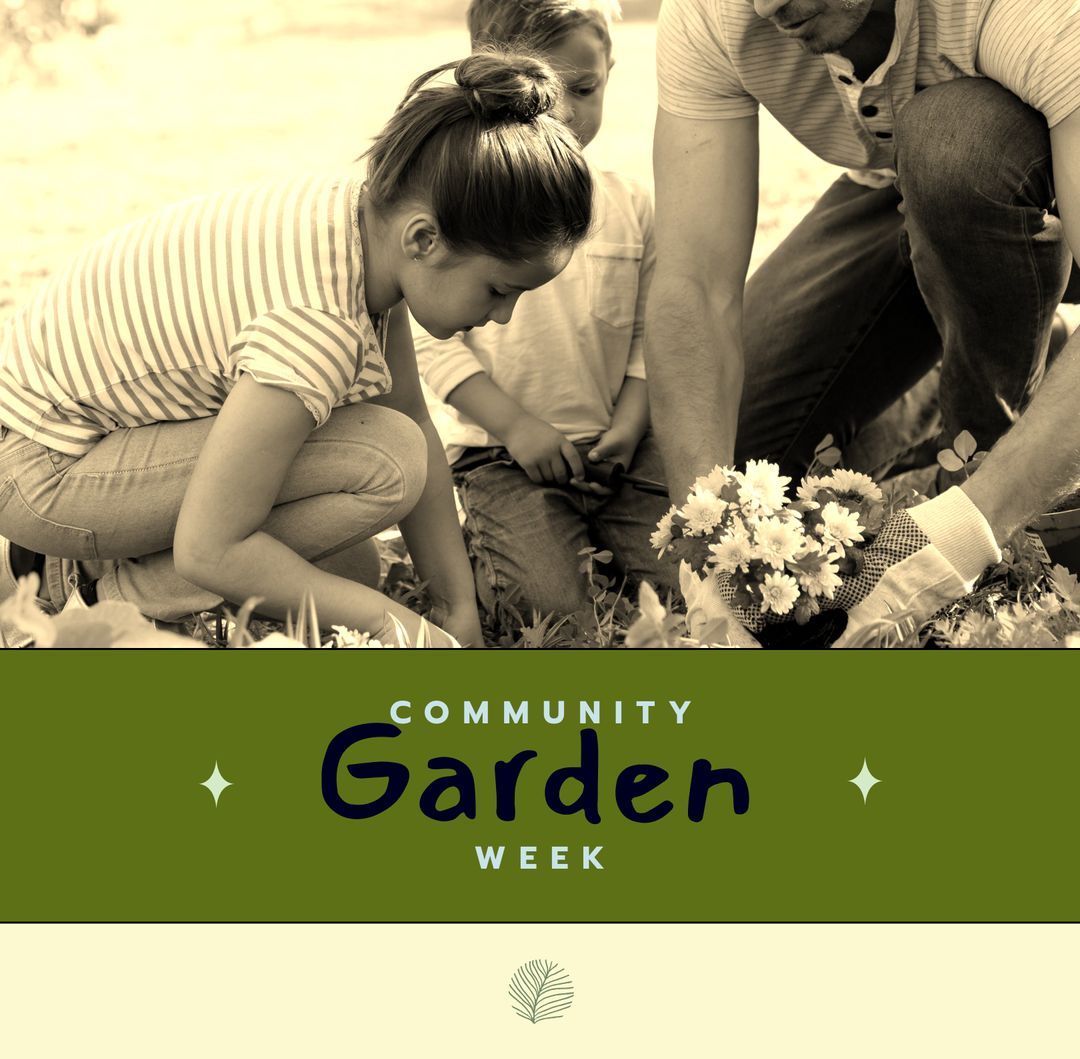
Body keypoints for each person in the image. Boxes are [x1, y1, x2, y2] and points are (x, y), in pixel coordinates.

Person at [0, 51, 593, 649]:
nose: (502, 316)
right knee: (386, 461)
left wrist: (455, 606)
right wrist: (414, 635)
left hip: (66, 443)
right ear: (424, 238)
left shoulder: (359, 226)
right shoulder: (319, 324)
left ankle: (82, 563)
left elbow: (411, 412)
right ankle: (97, 602)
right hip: (40, 469)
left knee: (352, 569)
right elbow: (211, 549)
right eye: (498, 290)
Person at [647, 0, 1080, 645]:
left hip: (1012, 172)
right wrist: (706, 526)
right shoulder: (709, 13)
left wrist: (964, 532)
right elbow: (693, 287)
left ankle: (990, 441)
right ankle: (965, 357)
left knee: (953, 141)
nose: (767, 7)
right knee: (742, 451)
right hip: (903, 195)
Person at [414, 0, 677, 618]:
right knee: (554, 610)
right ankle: (488, 551)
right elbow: (429, 336)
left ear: (611, 68)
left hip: (622, 451)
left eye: (584, 88)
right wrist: (515, 426)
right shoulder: (468, 200)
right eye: (544, 91)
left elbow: (650, 331)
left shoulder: (632, 205)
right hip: (503, 455)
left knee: (692, 586)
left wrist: (632, 424)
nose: (565, 112)